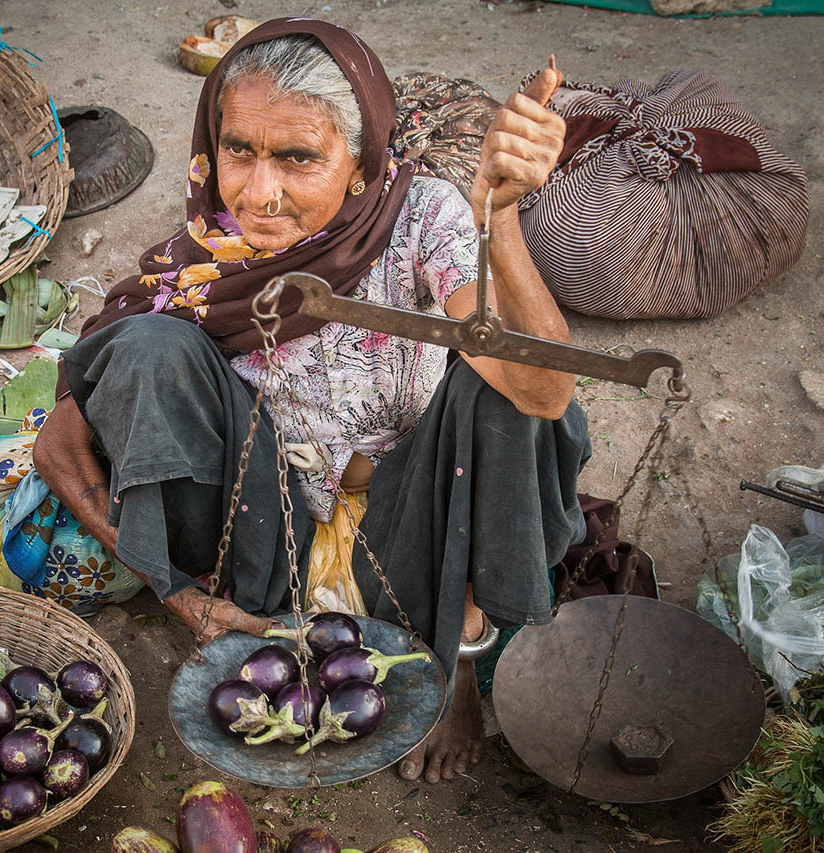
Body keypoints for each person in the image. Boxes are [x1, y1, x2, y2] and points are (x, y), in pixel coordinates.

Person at [33, 18, 590, 785]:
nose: (260, 193)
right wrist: (181, 596)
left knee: (495, 390)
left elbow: (546, 388)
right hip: (266, 539)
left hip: (419, 536)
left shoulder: (423, 219)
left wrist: (500, 224)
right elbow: (56, 447)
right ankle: (240, 615)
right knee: (145, 349)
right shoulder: (207, 252)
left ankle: (460, 658)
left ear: (360, 164)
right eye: (240, 151)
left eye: (297, 158)